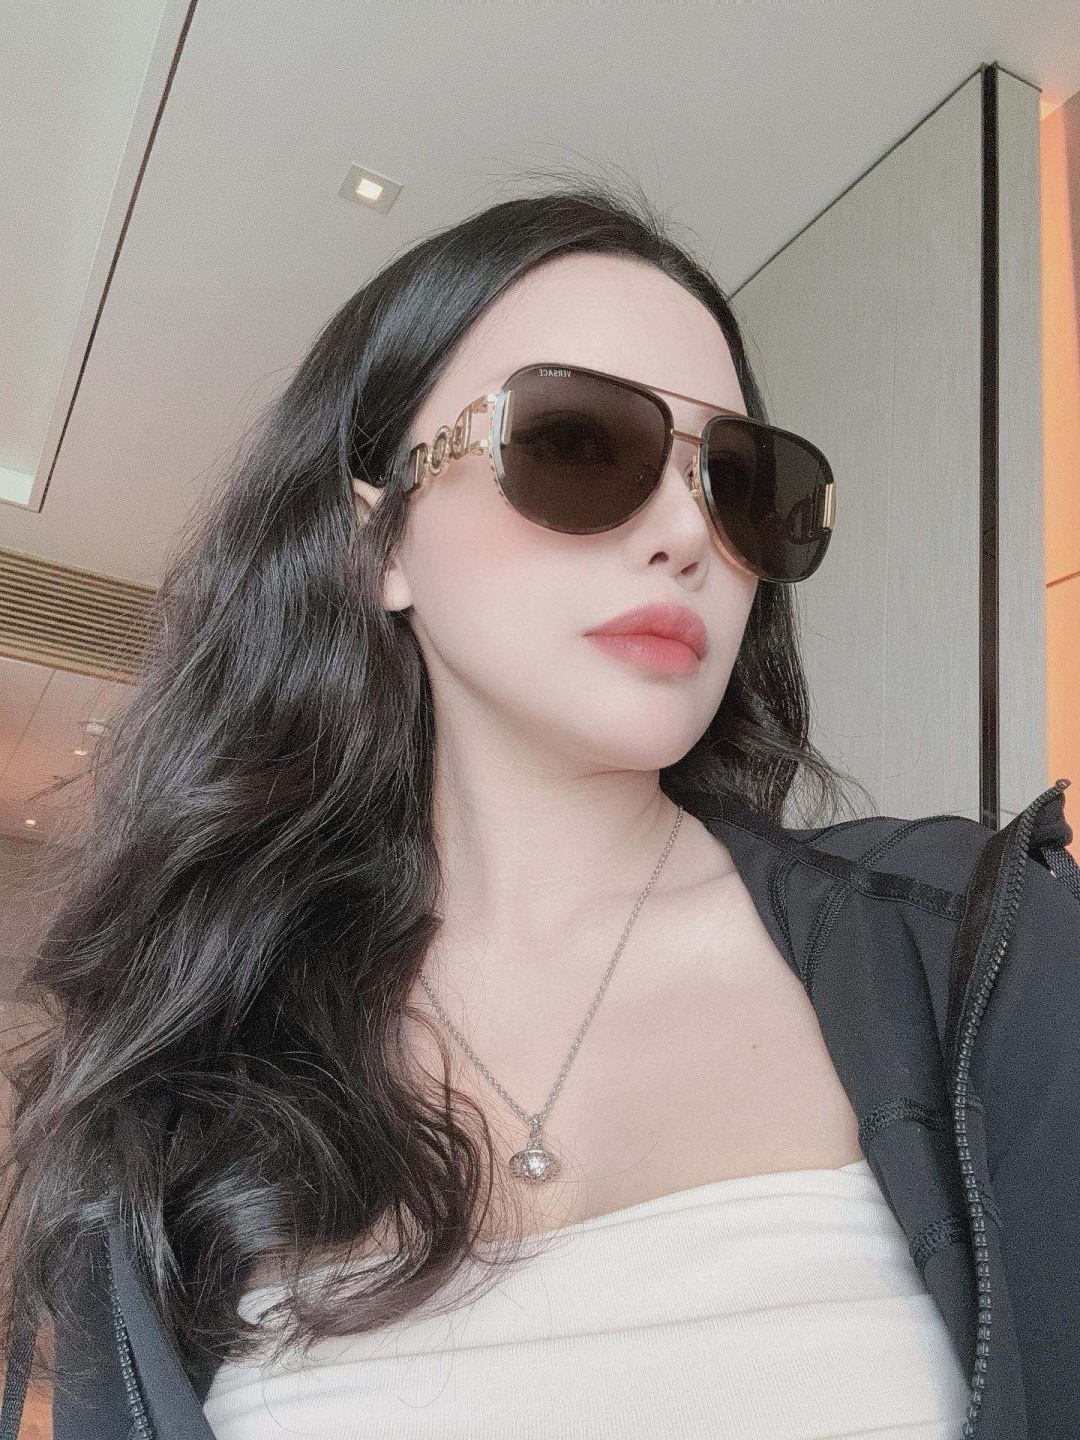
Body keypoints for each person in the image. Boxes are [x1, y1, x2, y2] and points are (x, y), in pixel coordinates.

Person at [1, 173, 1077, 1440]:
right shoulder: (175, 1073)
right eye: (575, 443)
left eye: (738, 480)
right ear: (376, 544)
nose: (687, 532)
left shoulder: (978, 949)